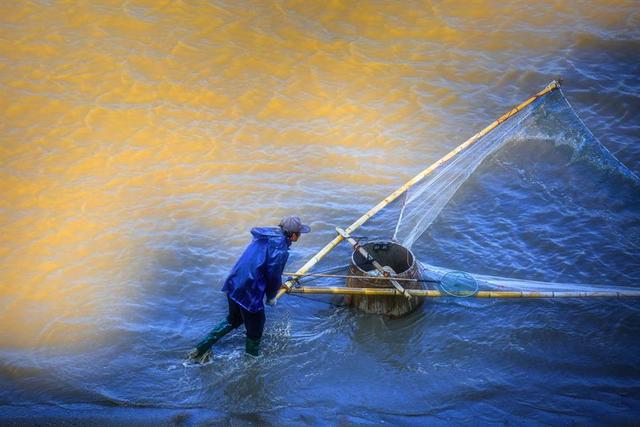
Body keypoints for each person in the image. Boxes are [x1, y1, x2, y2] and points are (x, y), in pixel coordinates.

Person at [189, 215, 310, 359]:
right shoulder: (281, 250)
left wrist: (276, 285)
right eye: (300, 233)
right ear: (294, 235)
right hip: (249, 293)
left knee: (234, 319)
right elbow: (273, 277)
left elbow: (261, 264)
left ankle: (200, 349)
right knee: (256, 330)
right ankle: (251, 363)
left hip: (234, 282)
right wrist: (271, 297)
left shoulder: (263, 237)